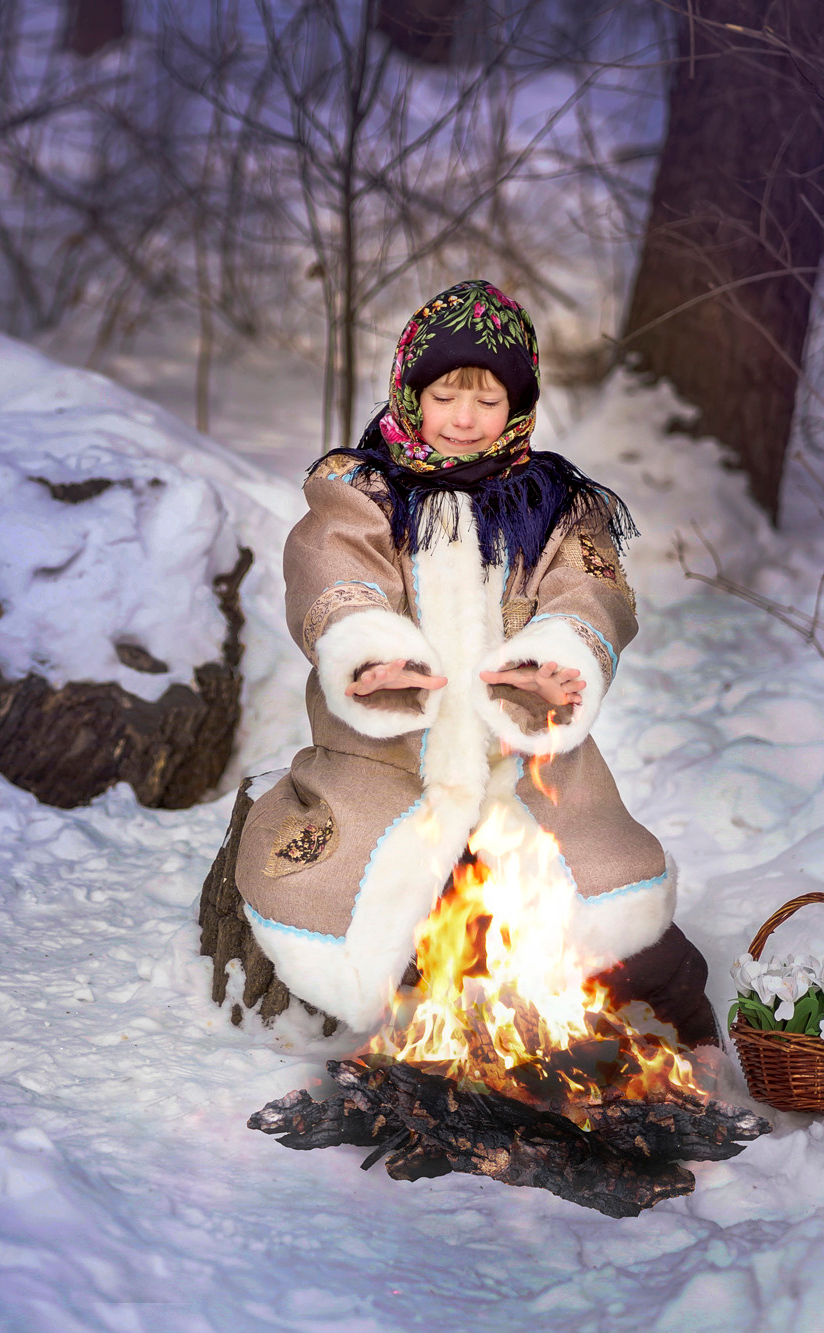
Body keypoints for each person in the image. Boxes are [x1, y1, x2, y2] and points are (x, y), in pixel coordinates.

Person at [228, 278, 717, 1044]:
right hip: (383, 769)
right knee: (368, 909)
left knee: (629, 929)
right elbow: (333, 573)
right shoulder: (363, 491)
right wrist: (367, 650)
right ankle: (435, 1049)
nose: (463, 418)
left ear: (518, 407)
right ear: (409, 392)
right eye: (446, 395)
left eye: (487, 400)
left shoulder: (555, 504)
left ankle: (687, 1046)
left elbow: (591, 587)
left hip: (526, 771)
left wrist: (560, 654)